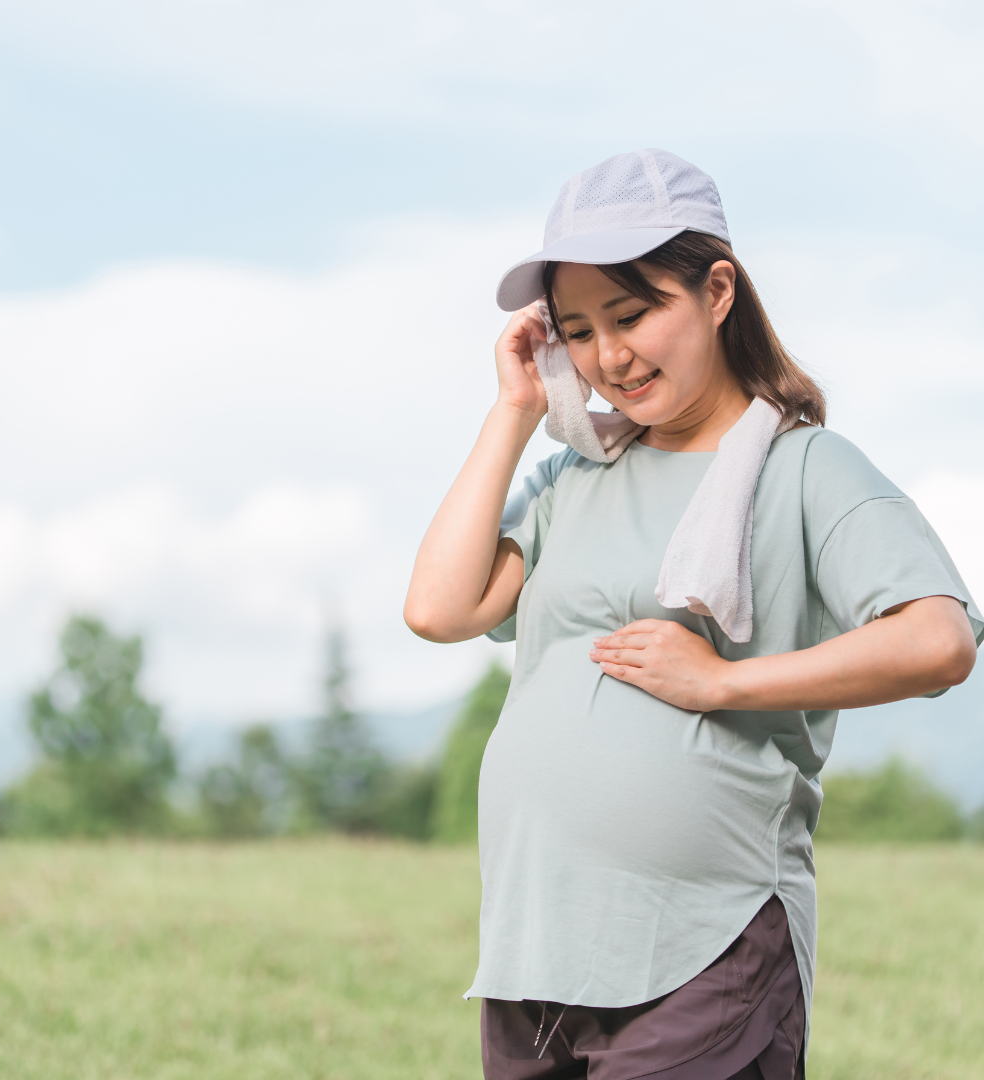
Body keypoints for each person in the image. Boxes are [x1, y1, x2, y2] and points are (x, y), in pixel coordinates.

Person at [404, 149, 982, 1080]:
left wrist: (723, 680)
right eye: (580, 330)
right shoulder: (570, 480)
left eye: (634, 315)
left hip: (708, 948)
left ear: (717, 291)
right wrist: (514, 412)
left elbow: (938, 638)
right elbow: (438, 609)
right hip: (536, 947)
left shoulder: (803, 469)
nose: (611, 357)